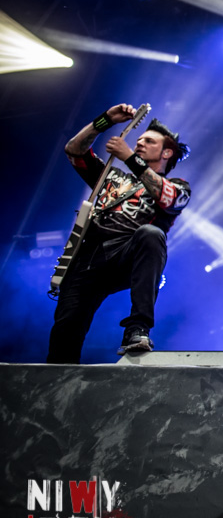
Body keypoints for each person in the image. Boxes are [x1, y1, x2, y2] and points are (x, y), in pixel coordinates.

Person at [48, 104, 191, 363]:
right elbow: (74, 150)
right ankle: (56, 381)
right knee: (65, 333)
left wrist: (129, 158)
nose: (140, 143)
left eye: (149, 141)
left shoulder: (178, 186)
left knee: (150, 234)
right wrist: (105, 120)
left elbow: (169, 198)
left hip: (127, 255)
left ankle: (138, 328)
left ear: (167, 152)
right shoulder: (111, 176)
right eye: (139, 140)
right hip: (88, 258)